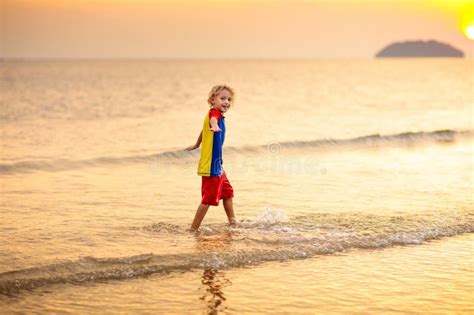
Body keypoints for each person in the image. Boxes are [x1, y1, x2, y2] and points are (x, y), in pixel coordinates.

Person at [186, 85, 237, 230]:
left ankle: (233, 223)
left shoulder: (216, 115)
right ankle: (193, 228)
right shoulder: (214, 113)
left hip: (217, 164)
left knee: (227, 192)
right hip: (210, 166)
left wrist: (197, 143)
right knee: (207, 199)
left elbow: (204, 129)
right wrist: (214, 126)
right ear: (212, 100)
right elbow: (212, 121)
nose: (226, 102)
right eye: (222, 98)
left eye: (229, 99)